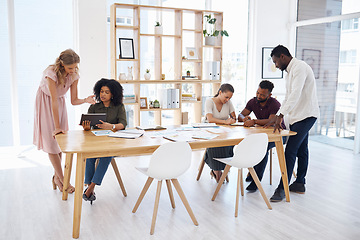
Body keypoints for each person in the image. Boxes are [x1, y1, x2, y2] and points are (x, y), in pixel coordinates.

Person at [33, 49, 96, 193]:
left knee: (59, 144)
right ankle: (65, 181)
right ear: (62, 64)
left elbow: (73, 101)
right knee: (51, 142)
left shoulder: (74, 76)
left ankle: (57, 178)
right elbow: (53, 100)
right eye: (70, 68)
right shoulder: (51, 73)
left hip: (59, 105)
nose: (73, 70)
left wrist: (85, 100)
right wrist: (57, 127)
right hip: (46, 103)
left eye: (75, 67)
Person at [265, 45, 319, 202]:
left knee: (290, 150)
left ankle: (282, 188)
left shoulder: (300, 67)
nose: (275, 65)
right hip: (297, 116)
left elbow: (295, 94)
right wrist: (278, 115)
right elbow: (288, 96)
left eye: (275, 62)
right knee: (302, 149)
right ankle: (300, 183)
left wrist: (281, 115)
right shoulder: (289, 72)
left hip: (307, 115)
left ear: (283, 56)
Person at [81, 79, 127, 204]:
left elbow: (123, 124)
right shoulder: (94, 107)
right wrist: (86, 127)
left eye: (107, 92)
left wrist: (111, 126)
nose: (103, 94)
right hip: (96, 141)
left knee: (106, 156)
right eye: (101, 91)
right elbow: (88, 127)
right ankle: (90, 188)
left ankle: (90, 187)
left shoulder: (119, 107)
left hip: (113, 142)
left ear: (113, 94)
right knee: (90, 157)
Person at [238, 80, 286, 192]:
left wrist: (254, 121)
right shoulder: (253, 101)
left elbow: (271, 121)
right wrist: (244, 118)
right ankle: (252, 172)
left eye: (262, 95)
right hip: (261, 133)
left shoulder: (275, 104)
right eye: (257, 93)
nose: (258, 96)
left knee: (261, 147)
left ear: (269, 95)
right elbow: (241, 114)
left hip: (278, 135)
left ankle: (256, 181)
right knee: (250, 144)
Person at [204, 83, 236, 182]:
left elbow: (234, 117)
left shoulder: (228, 102)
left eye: (229, 98)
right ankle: (216, 170)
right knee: (215, 144)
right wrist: (225, 121)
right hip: (210, 130)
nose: (227, 100)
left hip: (224, 131)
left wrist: (232, 120)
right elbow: (210, 119)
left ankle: (223, 168)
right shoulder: (209, 101)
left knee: (230, 143)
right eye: (226, 97)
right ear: (220, 92)